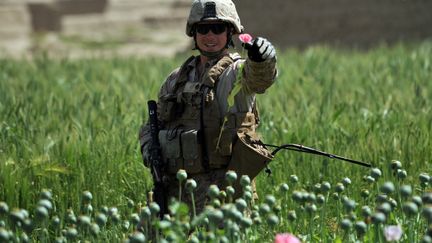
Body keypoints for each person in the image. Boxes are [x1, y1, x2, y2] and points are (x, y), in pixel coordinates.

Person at [139, 0, 277, 214]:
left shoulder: (236, 72)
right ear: (194, 33)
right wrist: (150, 149)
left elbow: (258, 78)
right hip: (175, 189)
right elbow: (153, 124)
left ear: (230, 31)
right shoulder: (177, 78)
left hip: (223, 191)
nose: (210, 35)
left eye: (218, 28)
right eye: (203, 28)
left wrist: (262, 60)